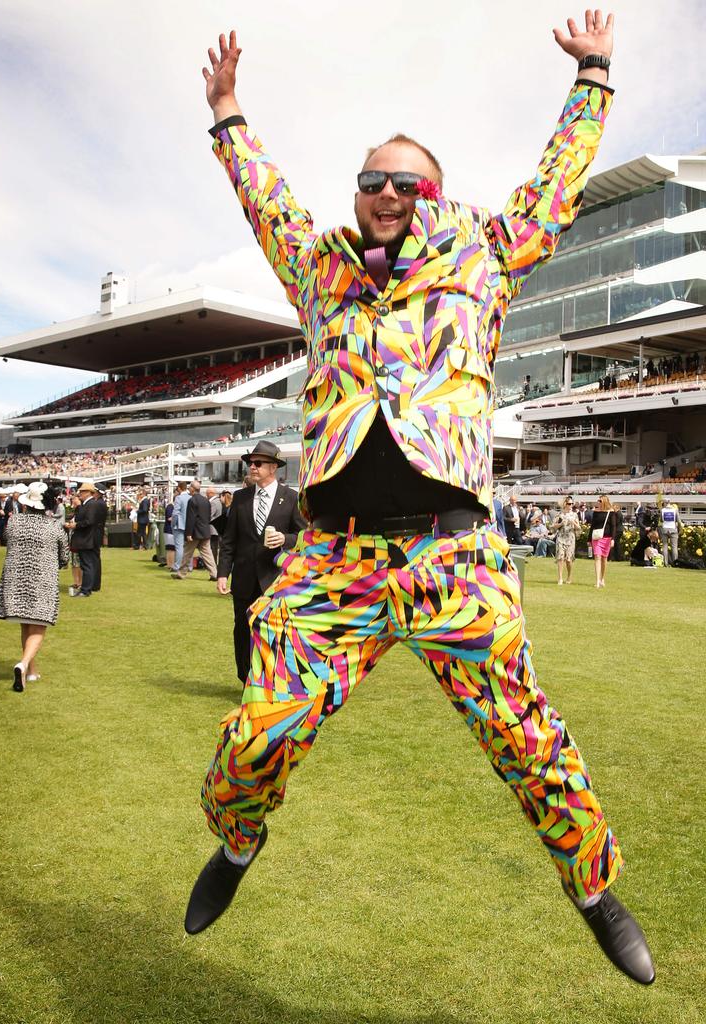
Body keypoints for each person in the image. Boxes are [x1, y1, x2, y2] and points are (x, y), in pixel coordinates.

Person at [186, 18, 655, 986]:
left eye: (407, 180)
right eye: (371, 179)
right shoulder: (321, 268)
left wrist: (594, 75)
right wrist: (229, 114)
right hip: (335, 560)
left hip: (452, 560)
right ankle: (237, 843)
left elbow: (557, 184)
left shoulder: (482, 254)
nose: (387, 193)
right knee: (254, 735)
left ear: (433, 195)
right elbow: (265, 204)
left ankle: (594, 888)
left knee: (529, 739)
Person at [215, 440, 306, 683]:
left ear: (273, 467)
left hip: (276, 580)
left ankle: (272, 680)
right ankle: (246, 680)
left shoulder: (290, 498)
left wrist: (285, 539)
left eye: (258, 463)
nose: (252, 467)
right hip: (244, 579)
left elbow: (306, 536)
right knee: (243, 631)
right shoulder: (240, 497)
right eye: (250, 463)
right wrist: (222, 573)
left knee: (274, 632)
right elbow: (229, 540)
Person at [0, 482, 69, 690]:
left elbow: (5, 540)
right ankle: (24, 663)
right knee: (38, 624)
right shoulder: (54, 527)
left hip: (15, 580)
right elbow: (64, 556)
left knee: (25, 623)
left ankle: (31, 671)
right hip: (42, 581)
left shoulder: (14, 522)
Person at [66, 480, 107, 598]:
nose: (80, 494)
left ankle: (86, 589)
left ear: (89, 492)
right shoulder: (91, 504)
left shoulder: (92, 504)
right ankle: (89, 586)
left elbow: (89, 521)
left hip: (87, 538)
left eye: (82, 492)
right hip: (90, 537)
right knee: (90, 563)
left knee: (87, 564)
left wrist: (76, 525)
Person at [172, 480, 218, 580]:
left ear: (192, 488)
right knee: (208, 554)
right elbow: (208, 517)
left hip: (195, 532)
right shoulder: (206, 500)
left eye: (190, 487)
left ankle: (181, 573)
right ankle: (214, 574)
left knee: (187, 553)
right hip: (205, 531)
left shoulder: (192, 500)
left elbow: (191, 518)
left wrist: (188, 533)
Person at [589, 495, 617, 588]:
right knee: (597, 557)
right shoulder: (595, 512)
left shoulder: (611, 512)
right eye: (598, 500)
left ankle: (602, 578)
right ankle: (597, 581)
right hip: (596, 537)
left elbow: (613, 527)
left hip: (607, 538)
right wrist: (589, 539)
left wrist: (613, 539)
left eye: (600, 501)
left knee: (604, 559)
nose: (598, 502)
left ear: (604, 502)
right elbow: (592, 526)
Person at [552, 497, 581, 584]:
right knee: (560, 558)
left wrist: (574, 523)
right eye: (569, 504)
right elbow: (553, 526)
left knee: (568, 560)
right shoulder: (559, 514)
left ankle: (569, 576)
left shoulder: (574, 515)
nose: (571, 505)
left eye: (572, 504)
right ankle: (560, 578)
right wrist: (561, 523)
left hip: (570, 538)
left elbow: (579, 528)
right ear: (565, 504)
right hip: (561, 537)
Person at [170, 481, 192, 575]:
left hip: (179, 525)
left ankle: (177, 566)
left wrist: (173, 524)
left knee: (179, 547)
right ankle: (189, 566)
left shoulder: (178, 498)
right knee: (189, 547)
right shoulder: (191, 497)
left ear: (179, 488)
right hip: (189, 525)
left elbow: (175, 513)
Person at [659, 499, 681, 567]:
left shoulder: (662, 510)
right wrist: (680, 529)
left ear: (665, 503)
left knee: (665, 546)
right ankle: (675, 563)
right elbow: (679, 521)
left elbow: (661, 520)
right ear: (669, 503)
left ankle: (666, 563)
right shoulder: (675, 510)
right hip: (673, 530)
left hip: (665, 529)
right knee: (674, 547)